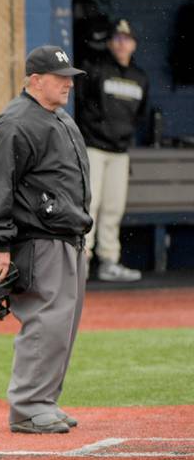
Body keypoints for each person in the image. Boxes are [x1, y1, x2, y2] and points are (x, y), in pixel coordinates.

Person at [0, 45, 92, 434]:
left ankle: (45, 401)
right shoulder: (15, 122)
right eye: (60, 78)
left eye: (70, 78)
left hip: (67, 236)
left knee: (63, 324)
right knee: (45, 321)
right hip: (38, 239)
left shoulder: (57, 118)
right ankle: (27, 406)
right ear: (35, 80)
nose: (68, 84)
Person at [77, 19, 149, 282]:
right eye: (117, 38)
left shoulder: (140, 77)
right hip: (94, 147)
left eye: (127, 39)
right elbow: (82, 103)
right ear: (109, 43)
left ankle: (109, 261)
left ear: (134, 44)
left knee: (113, 207)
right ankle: (81, 261)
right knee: (90, 204)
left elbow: (139, 115)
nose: (122, 43)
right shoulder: (96, 69)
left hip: (120, 151)